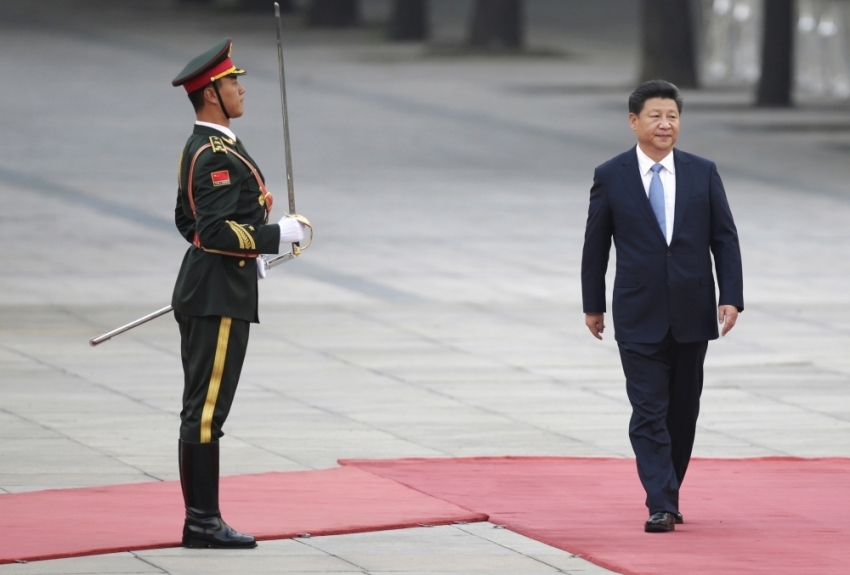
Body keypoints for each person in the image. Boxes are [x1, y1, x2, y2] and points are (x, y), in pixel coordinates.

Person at [580, 80, 743, 533]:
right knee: (648, 409)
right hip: (637, 311)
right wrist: (593, 304)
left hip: (693, 309)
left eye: (672, 116)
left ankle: (668, 489)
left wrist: (731, 296)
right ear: (634, 121)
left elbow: (724, 238)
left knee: (683, 410)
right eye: (655, 116)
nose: (665, 124)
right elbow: (596, 246)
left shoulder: (702, 172)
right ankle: (661, 501)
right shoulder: (611, 175)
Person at [171, 38, 307, 548]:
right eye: (232, 83)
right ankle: (203, 522)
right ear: (211, 94)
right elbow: (211, 230)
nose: (241, 89)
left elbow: (186, 220)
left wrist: (248, 255)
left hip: (214, 285)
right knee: (206, 410)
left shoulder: (209, 145)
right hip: (217, 296)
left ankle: (202, 519)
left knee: (204, 406)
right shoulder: (211, 154)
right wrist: (274, 236)